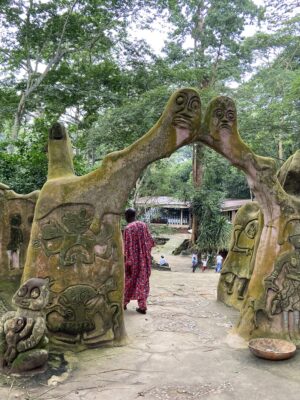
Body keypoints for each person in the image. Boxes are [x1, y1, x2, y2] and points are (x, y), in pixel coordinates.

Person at [123, 208, 155, 314]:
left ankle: (123, 303)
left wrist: (127, 260)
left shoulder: (128, 228)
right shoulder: (143, 225)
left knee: (129, 281)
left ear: (127, 216)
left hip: (132, 260)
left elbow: (126, 246)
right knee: (142, 282)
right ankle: (142, 307)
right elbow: (150, 241)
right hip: (144, 260)